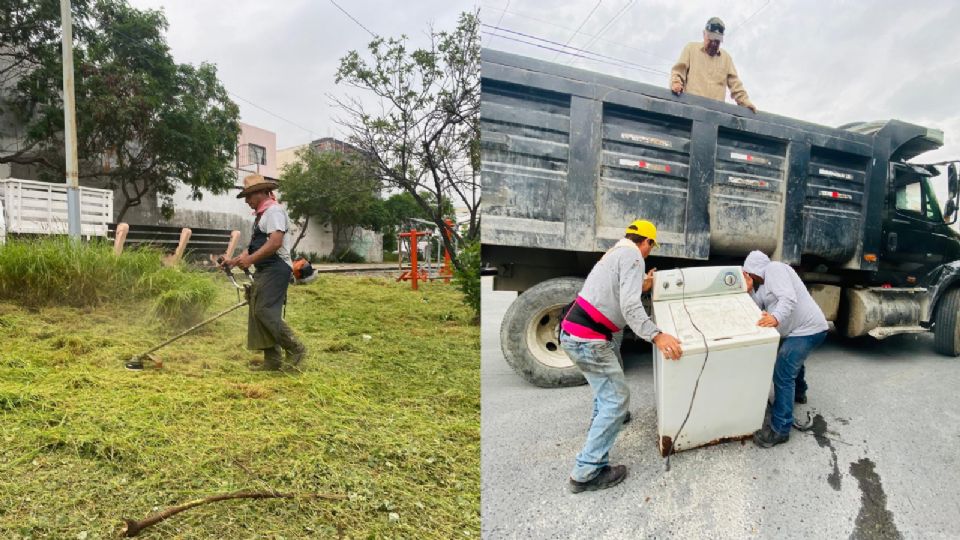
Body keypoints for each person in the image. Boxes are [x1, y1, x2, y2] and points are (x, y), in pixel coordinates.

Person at [559, 219, 683, 493]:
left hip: (575, 332)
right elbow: (629, 304)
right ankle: (587, 471)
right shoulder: (633, 255)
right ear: (647, 242)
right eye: (652, 246)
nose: (650, 251)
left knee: (606, 392)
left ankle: (600, 427)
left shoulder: (616, 252)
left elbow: (616, 291)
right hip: (588, 338)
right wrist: (657, 334)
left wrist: (642, 284)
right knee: (617, 400)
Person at [742, 251, 828, 448]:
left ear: (754, 268)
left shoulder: (775, 269)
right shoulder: (763, 286)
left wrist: (775, 318)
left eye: (748, 273)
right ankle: (799, 393)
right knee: (792, 361)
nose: (748, 277)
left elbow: (788, 299)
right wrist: (749, 291)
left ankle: (780, 429)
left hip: (810, 329)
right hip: (799, 331)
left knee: (783, 370)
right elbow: (758, 309)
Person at [225, 174, 307, 371]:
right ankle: (272, 360)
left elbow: (275, 242)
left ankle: (295, 348)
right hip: (266, 268)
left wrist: (250, 260)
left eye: (248, 196)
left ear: (260, 193)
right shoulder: (262, 215)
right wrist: (235, 261)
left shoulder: (273, 211)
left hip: (277, 268)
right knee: (257, 310)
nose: (246, 201)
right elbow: (255, 247)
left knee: (264, 310)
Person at [670, 17, 757, 113]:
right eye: (711, 39)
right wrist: (676, 83)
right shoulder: (691, 49)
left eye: (717, 41)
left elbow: (736, 86)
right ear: (704, 34)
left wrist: (746, 102)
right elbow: (678, 71)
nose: (714, 44)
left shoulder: (726, 59)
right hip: (691, 111)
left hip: (714, 116)